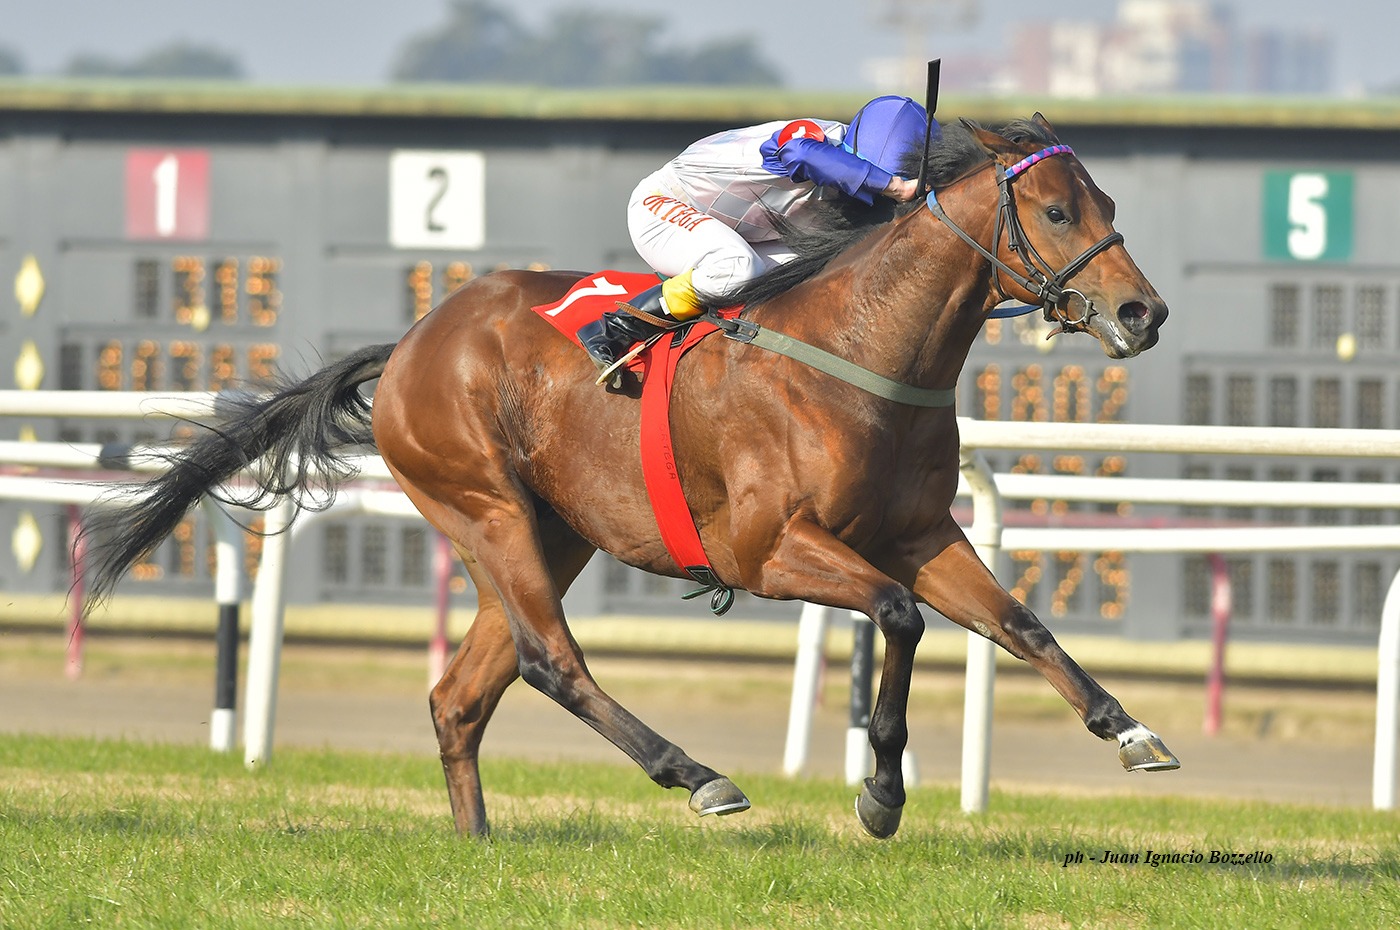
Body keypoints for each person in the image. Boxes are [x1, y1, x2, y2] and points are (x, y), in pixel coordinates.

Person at [578, 95, 934, 377]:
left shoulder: (855, 159)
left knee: (821, 272)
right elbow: (800, 153)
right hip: (663, 204)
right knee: (736, 266)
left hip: (742, 234)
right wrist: (895, 186)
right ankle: (614, 329)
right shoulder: (813, 138)